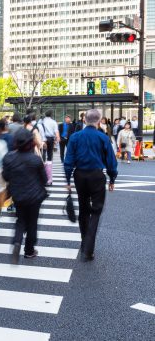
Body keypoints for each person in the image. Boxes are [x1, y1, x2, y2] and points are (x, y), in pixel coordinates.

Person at [64, 109, 118, 261]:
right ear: (99, 121)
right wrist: (112, 178)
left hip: (79, 175)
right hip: (96, 175)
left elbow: (68, 160)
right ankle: (89, 247)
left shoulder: (75, 137)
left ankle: (84, 242)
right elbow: (111, 162)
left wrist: (68, 180)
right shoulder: (103, 137)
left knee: (83, 208)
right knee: (96, 211)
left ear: (85, 120)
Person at [3, 129, 48, 262]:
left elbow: (5, 176)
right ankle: (29, 250)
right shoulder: (35, 159)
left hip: (17, 194)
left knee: (20, 220)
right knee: (32, 222)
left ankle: (17, 241)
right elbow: (44, 180)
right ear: (31, 143)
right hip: (34, 196)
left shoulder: (8, 157)